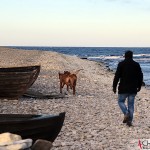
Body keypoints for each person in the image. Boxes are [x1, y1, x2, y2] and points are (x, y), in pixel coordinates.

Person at [113, 50, 143, 127]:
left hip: (123, 88)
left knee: (120, 101)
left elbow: (117, 76)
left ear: (125, 56)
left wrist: (114, 86)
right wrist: (139, 86)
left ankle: (126, 113)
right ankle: (129, 121)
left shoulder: (121, 64)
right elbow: (140, 76)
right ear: (132, 56)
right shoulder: (136, 64)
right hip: (133, 88)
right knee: (131, 105)